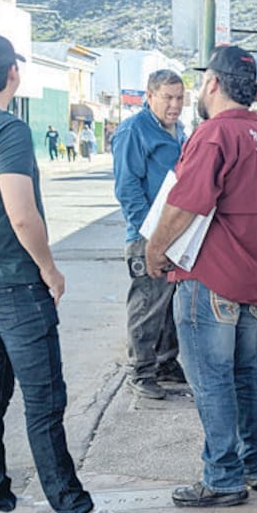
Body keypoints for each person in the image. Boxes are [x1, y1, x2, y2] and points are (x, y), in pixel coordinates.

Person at [0, 32, 144, 513]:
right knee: (44, 400)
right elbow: (22, 215)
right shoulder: (7, 129)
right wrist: (48, 269)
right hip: (15, 283)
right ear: (13, 74)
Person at [145, 45, 257, 508]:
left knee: (211, 379)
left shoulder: (213, 136)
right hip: (251, 278)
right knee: (246, 374)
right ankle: (255, 463)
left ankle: (223, 475)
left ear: (212, 83)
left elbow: (185, 204)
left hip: (210, 278)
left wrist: (155, 250)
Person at [111, 69, 187, 399]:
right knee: (147, 304)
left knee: (167, 305)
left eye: (179, 98)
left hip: (174, 231)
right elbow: (127, 188)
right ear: (150, 95)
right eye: (167, 98)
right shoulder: (134, 130)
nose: (175, 105)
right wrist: (152, 237)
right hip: (147, 236)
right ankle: (141, 371)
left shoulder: (179, 129)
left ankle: (166, 364)